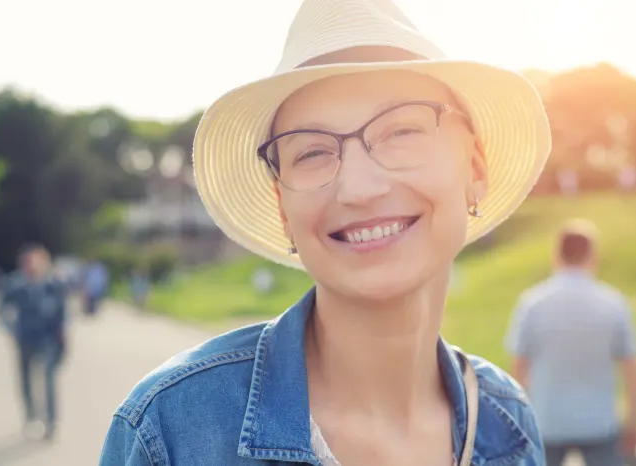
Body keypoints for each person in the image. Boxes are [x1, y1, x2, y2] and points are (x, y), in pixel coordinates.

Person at [100, 0, 552, 464]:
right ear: (282, 208)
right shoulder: (170, 432)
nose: (358, 188)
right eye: (312, 153)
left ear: (475, 169)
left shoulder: (508, 422)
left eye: (401, 132)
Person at [505, 220, 636, 466]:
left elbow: (517, 370)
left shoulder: (532, 303)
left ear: (557, 255)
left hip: (547, 420)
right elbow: (632, 366)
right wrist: (634, 419)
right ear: (592, 255)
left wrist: (518, 421)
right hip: (600, 422)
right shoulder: (613, 303)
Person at [0, 244, 68, 441]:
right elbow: (1, 310)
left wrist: (63, 337)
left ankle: (51, 421)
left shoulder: (54, 285)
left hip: (48, 340)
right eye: (27, 261)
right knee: (26, 380)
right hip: (25, 339)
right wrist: (11, 330)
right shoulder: (15, 285)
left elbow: (63, 314)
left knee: (48, 381)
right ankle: (31, 416)